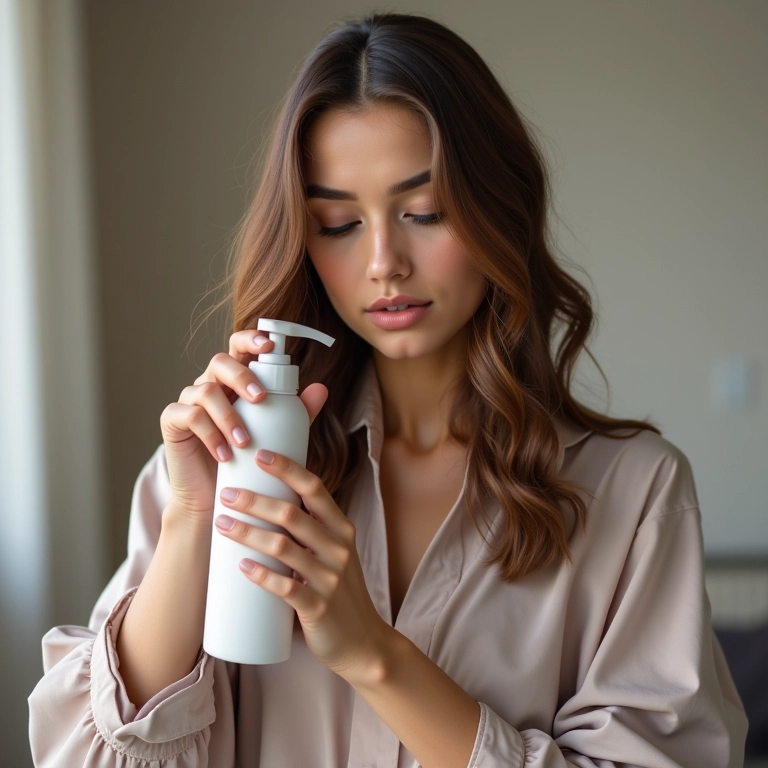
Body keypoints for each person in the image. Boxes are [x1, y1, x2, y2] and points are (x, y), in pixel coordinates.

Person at [28, 11, 747, 768]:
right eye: (337, 222)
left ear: (499, 203)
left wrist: (374, 654)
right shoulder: (217, 470)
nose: (383, 262)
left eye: (424, 212)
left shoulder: (634, 494)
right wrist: (188, 522)